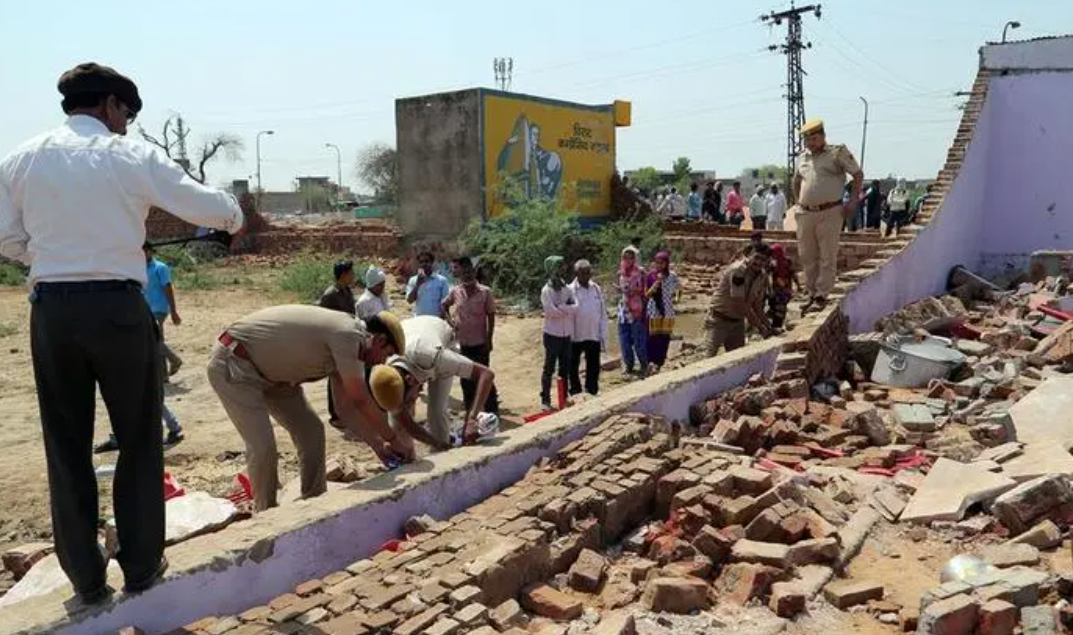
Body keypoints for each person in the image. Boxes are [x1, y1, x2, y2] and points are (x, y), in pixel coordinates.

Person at [0, 62, 244, 603]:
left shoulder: (20, 158)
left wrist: (47, 257)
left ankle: (86, 579)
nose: (127, 124)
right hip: (117, 308)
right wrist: (232, 215)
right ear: (111, 105)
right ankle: (139, 566)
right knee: (138, 437)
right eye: (127, 114)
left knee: (65, 447)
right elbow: (202, 204)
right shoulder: (128, 155)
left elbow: (5, 237)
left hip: (52, 313)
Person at [207, 306, 408, 511]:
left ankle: (313, 503)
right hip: (235, 364)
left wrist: (379, 447)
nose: (382, 362)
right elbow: (360, 399)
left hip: (277, 379)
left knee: (311, 431)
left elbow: (345, 409)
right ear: (380, 340)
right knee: (263, 447)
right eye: (387, 354)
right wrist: (393, 439)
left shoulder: (350, 347)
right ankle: (266, 514)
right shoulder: (350, 335)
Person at [368, 315, 497, 450]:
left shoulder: (435, 357)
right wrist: (434, 443)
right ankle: (408, 456)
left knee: (436, 410)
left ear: (410, 380)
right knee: (397, 422)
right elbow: (405, 421)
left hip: (437, 338)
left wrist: (472, 419)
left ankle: (444, 456)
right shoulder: (385, 375)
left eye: (410, 400)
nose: (410, 403)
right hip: (414, 334)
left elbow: (486, 374)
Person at [792, 119, 863, 314]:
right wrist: (798, 202)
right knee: (807, 256)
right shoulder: (802, 157)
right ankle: (811, 293)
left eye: (814, 138)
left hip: (830, 211)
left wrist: (853, 201)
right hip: (806, 212)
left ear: (823, 136)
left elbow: (857, 174)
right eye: (807, 139)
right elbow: (796, 180)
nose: (811, 143)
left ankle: (822, 295)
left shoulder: (836, 152)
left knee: (827, 256)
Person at [442, 256, 500, 414]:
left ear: (474, 272)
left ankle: (492, 413)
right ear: (459, 273)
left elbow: (491, 316)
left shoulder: (485, 292)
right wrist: (450, 321)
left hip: (480, 344)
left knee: (484, 378)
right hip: (463, 346)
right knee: (466, 381)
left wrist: (489, 340)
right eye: (463, 272)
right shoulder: (455, 291)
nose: (467, 275)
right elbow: (443, 305)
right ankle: (470, 414)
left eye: (469, 272)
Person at [705, 244, 775, 356]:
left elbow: (757, 306)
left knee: (737, 359)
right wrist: (761, 327)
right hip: (719, 320)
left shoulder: (762, 276)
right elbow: (739, 304)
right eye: (757, 257)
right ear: (750, 255)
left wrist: (770, 327)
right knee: (708, 358)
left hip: (737, 322)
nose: (759, 262)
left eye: (763, 260)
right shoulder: (738, 270)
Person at [319, 260, 356, 426]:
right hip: (333, 340)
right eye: (351, 273)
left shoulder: (347, 291)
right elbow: (323, 320)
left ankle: (345, 411)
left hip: (347, 338)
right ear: (343, 275)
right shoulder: (329, 295)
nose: (353, 276)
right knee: (334, 376)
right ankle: (335, 415)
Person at [539, 256, 577, 410]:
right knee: (549, 367)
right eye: (558, 267)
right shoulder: (546, 291)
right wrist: (566, 308)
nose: (561, 270)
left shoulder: (567, 288)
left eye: (562, 267)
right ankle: (545, 400)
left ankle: (564, 398)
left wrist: (561, 307)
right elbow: (550, 311)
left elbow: (576, 307)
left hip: (566, 334)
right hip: (552, 334)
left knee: (564, 368)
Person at [568, 260, 608, 397]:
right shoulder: (570, 290)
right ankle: (576, 393)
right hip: (576, 335)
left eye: (588, 272)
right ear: (576, 273)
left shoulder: (596, 288)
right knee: (572, 367)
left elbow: (602, 312)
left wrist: (603, 333)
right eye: (583, 273)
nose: (586, 275)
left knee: (594, 366)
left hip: (593, 333)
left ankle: (591, 391)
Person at [143, 243, 183, 378]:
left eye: (144, 251)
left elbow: (168, 289)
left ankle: (174, 360)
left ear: (150, 252)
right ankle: (163, 375)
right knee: (158, 339)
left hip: (159, 309)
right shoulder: (140, 269)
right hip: (146, 309)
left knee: (153, 340)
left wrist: (173, 311)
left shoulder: (160, 267)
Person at [645, 251, 679, 372]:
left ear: (666, 263)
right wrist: (656, 283)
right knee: (653, 337)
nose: (659, 265)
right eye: (657, 263)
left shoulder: (673, 276)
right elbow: (647, 295)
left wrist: (676, 299)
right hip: (654, 310)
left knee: (665, 337)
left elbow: (679, 289)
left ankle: (660, 362)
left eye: (662, 263)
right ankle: (651, 361)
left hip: (668, 310)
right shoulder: (651, 276)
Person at [617, 246, 648, 376]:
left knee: (638, 339)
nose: (628, 259)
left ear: (635, 258)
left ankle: (644, 365)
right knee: (624, 340)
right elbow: (620, 289)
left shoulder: (641, 272)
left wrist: (633, 292)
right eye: (625, 257)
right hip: (623, 310)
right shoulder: (621, 273)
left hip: (637, 309)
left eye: (631, 257)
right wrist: (621, 291)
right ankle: (628, 365)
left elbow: (646, 291)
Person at [406, 251, 450, 318]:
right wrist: (418, 285)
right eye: (421, 262)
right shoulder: (413, 280)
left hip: (436, 319)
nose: (424, 264)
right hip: (419, 319)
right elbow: (409, 300)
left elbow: (446, 303)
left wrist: (443, 317)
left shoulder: (442, 280)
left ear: (432, 262)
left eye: (426, 261)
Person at [768, 243, 800, 331]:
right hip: (777, 291)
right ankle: (776, 327)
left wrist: (798, 285)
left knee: (780, 309)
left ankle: (777, 327)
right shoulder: (773, 263)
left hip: (783, 291)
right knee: (775, 308)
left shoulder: (785, 262)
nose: (773, 255)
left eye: (774, 253)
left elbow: (793, 274)